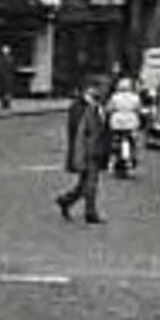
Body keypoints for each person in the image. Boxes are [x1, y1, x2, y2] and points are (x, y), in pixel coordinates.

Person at [55, 83, 109, 226]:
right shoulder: (82, 108)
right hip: (88, 151)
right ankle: (90, 213)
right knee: (91, 183)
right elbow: (80, 134)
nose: (101, 91)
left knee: (84, 183)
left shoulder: (96, 106)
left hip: (94, 150)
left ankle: (66, 200)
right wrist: (80, 154)